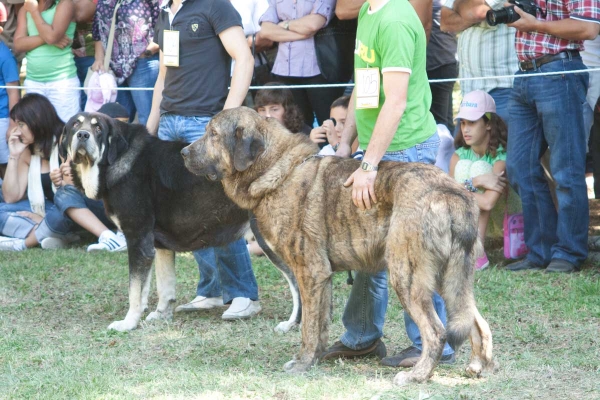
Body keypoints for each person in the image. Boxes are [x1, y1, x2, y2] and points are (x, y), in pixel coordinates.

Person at [319, 0, 455, 369]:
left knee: (411, 251)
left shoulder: (394, 19)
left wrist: (368, 165)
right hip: (378, 147)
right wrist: (347, 141)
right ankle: (361, 336)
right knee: (367, 245)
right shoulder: (369, 11)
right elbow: (364, 91)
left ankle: (432, 344)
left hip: (405, 148)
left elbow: (394, 103)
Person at [147, 0, 260, 320]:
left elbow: (245, 59)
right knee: (185, 212)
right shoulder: (167, 13)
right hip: (170, 121)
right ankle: (210, 289)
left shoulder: (215, 5)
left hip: (206, 124)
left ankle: (243, 293)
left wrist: (225, 120)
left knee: (220, 208)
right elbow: (163, 76)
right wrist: (150, 127)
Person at [504, 0, 600, 273]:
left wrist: (535, 24)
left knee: (566, 170)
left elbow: (589, 28)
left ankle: (569, 252)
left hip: (561, 71)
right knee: (519, 166)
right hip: (524, 73)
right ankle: (541, 251)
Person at [0, 93, 125, 252]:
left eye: (21, 124)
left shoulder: (67, 139)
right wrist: (13, 155)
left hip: (82, 206)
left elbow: (83, 190)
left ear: (36, 121)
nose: (16, 131)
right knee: (2, 209)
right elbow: (11, 197)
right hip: (51, 210)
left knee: (63, 196)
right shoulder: (27, 150)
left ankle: (34, 238)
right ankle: (53, 233)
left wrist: (64, 180)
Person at [258, 0, 346, 129]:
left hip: (318, 69)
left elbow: (313, 24)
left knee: (327, 123)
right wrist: (302, 33)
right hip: (283, 70)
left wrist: (284, 24)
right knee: (292, 126)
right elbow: (266, 31)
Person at [449, 90, 507, 270]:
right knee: (468, 167)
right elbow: (449, 198)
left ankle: (477, 253)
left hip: (503, 216)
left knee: (479, 166)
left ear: (488, 124)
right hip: (471, 208)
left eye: (472, 123)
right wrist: (475, 182)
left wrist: (461, 190)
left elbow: (489, 203)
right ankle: (462, 247)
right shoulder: (459, 156)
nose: (465, 129)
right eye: (463, 123)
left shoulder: (500, 156)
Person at [440, 0, 518, 125]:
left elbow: (476, 12)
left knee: (501, 143)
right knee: (465, 144)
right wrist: (469, 15)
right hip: (470, 92)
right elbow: (444, 21)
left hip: (500, 88)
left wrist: (463, 14)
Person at [91, 0, 159, 125]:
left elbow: (164, 25)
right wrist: (99, 59)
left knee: (148, 119)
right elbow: (97, 30)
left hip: (143, 64)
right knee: (117, 121)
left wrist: (147, 52)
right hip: (112, 67)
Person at [13, 0, 80, 123]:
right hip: (33, 82)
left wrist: (34, 11)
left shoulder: (65, 4)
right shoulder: (25, 8)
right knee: (36, 134)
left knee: (65, 133)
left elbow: (51, 37)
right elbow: (18, 44)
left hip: (62, 82)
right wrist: (49, 36)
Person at [0, 2, 21, 180]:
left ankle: (8, 197)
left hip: (2, 118)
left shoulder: (5, 56)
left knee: (3, 162)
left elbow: (14, 92)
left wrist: (13, 124)